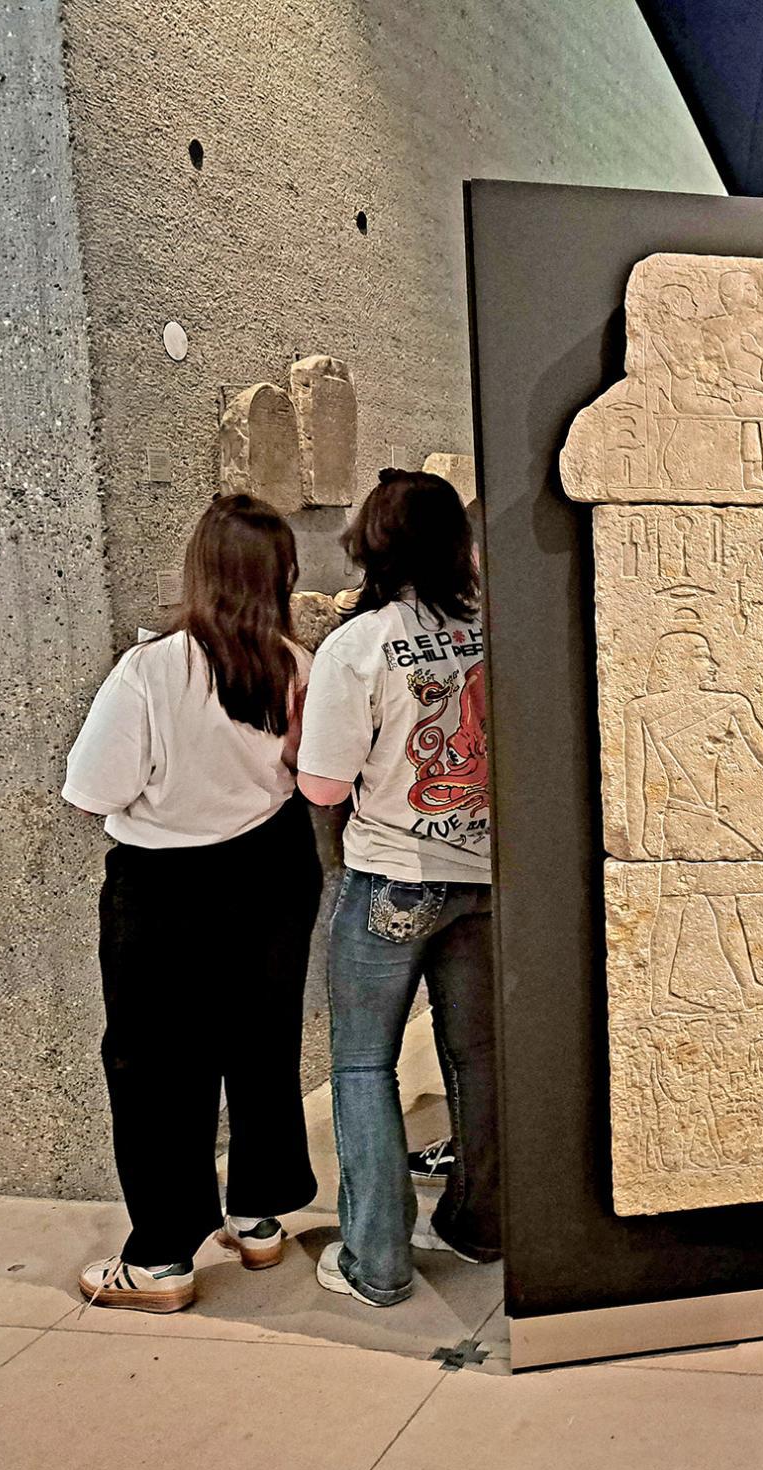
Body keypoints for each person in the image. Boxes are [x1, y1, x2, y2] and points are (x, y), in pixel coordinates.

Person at [63, 494, 322, 1312]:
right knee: (262, 1041)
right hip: (275, 868)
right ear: (281, 575)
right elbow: (307, 772)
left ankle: (164, 1257)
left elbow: (93, 788)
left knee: (157, 1066)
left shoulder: (150, 670)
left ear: (200, 570)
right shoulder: (295, 663)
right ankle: (258, 1215)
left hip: (164, 886)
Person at [297, 468, 498, 1307]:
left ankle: (376, 1261)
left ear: (371, 543)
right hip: (487, 875)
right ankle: (480, 1225)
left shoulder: (358, 645)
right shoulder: (493, 627)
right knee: (479, 1057)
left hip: (393, 875)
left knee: (362, 1064)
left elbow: (323, 786)